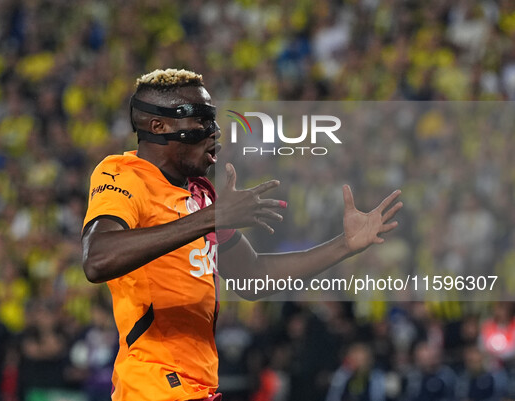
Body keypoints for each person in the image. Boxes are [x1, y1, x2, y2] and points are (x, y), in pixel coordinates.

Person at [81, 68, 403, 401]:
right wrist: (210, 219)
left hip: (195, 387)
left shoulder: (201, 195)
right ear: (158, 126)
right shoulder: (123, 174)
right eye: (201, 120)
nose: (214, 132)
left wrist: (343, 246)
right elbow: (98, 258)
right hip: (152, 386)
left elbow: (252, 277)